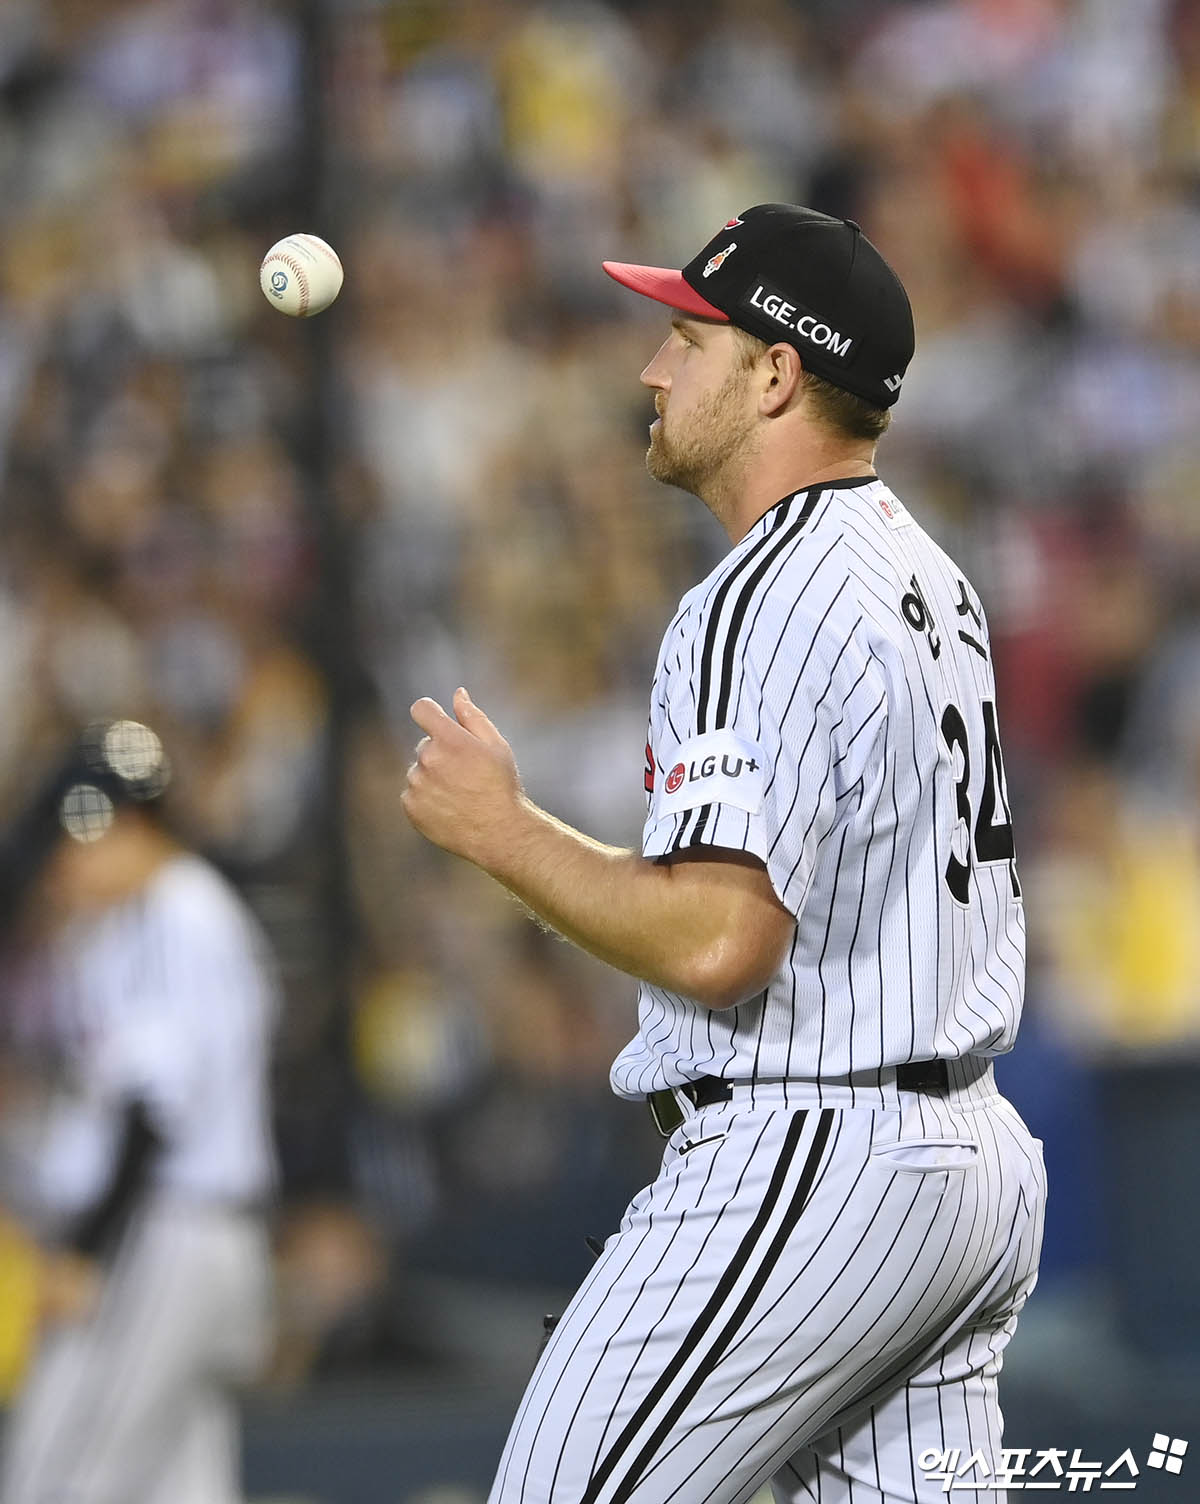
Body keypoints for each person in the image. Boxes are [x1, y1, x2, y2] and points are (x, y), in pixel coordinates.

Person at [401, 204, 1047, 1504]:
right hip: (963, 1166)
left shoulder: (759, 594)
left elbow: (720, 940)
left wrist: (504, 832)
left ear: (774, 372)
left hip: (814, 1155)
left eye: (688, 339)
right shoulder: (927, 574)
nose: (653, 368)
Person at [0, 719, 278, 1504]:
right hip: (192, 1229)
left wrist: (85, 1252)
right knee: (180, 1484)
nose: (63, 868)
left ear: (128, 829)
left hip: (166, 1231)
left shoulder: (176, 915)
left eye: (78, 843)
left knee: (66, 1479)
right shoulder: (147, 919)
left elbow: (151, 1110)